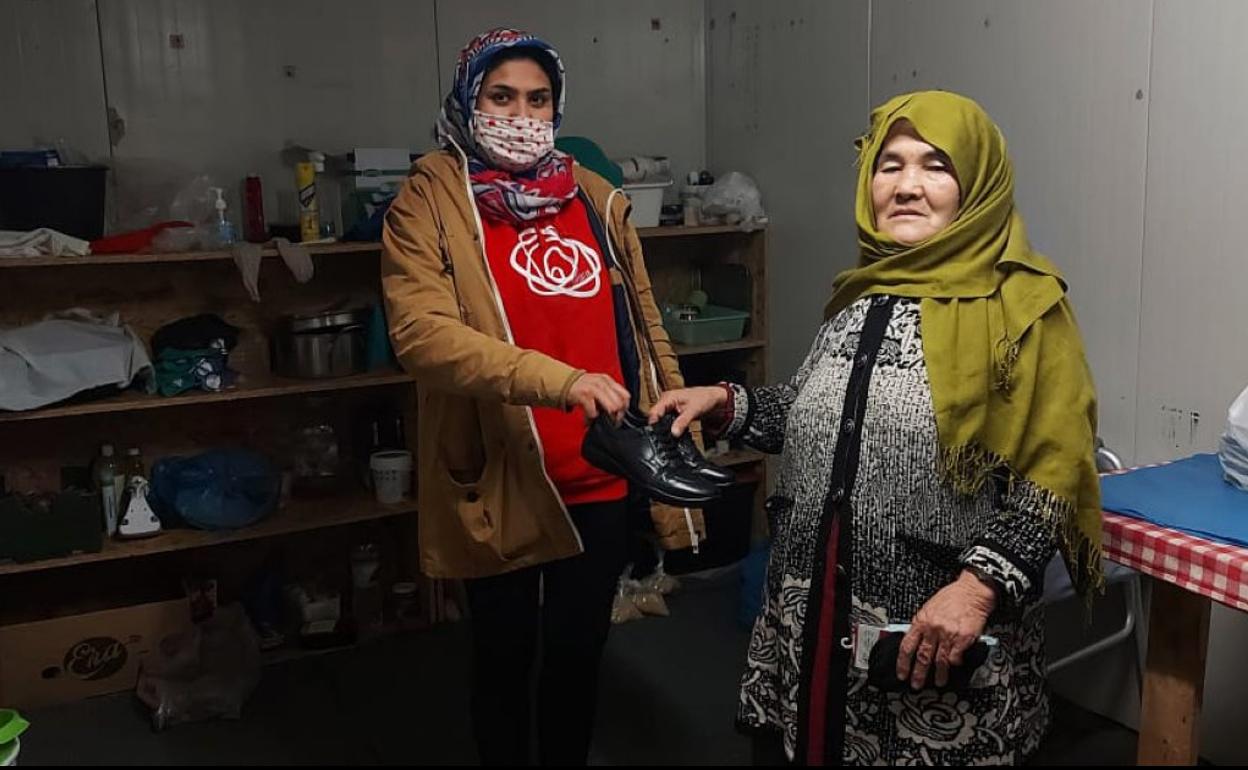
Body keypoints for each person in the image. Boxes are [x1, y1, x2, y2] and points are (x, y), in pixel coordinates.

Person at [649, 91, 1102, 765]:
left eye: (935, 166)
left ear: (976, 183)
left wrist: (977, 591)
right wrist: (726, 402)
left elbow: (1054, 473)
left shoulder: (1025, 308)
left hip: (930, 636)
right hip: (817, 618)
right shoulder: (861, 298)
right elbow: (810, 416)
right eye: (889, 165)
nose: (908, 186)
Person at [381, 28, 698, 766]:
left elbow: (642, 326)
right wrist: (560, 382)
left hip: (598, 474)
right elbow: (422, 335)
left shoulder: (593, 198)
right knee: (502, 660)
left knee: (577, 658)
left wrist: (673, 410)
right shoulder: (430, 199)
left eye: (538, 99)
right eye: (501, 97)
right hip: (504, 476)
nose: (520, 115)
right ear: (468, 99)